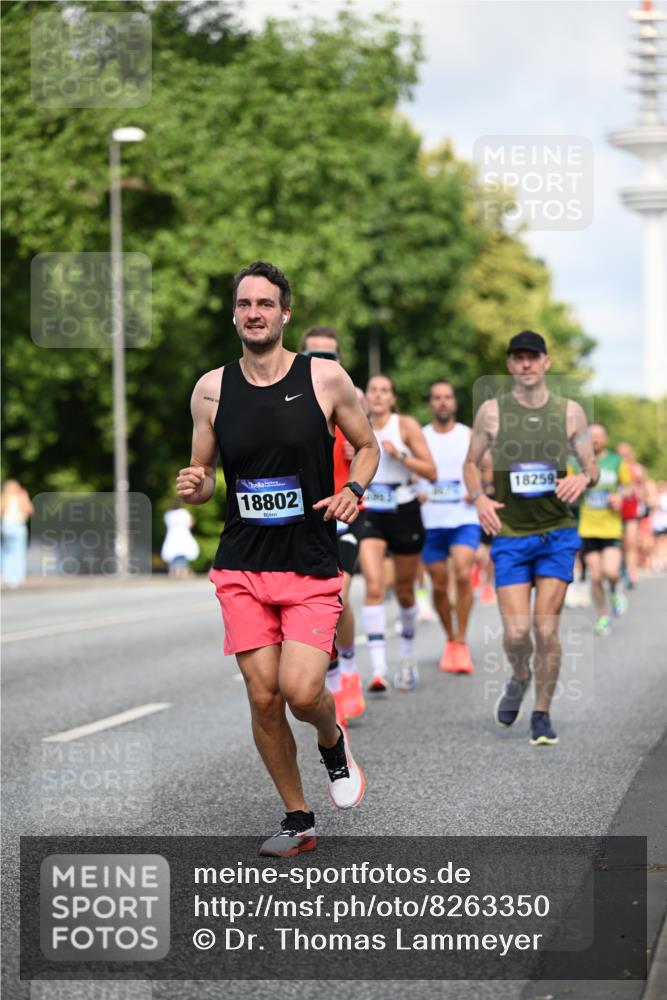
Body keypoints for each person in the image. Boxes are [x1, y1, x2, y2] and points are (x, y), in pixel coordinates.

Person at [177, 261, 379, 857]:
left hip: (310, 560)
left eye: (265, 304)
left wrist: (354, 490)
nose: (254, 313)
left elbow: (367, 447)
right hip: (241, 564)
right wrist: (196, 485)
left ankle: (330, 734)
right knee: (262, 695)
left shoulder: (325, 378)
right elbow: (206, 474)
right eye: (245, 304)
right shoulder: (210, 389)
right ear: (234, 313)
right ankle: (298, 817)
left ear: (284, 313)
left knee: (299, 691)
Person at [464, 330, 598, 746]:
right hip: (511, 534)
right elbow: (470, 464)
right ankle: (520, 674)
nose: (525, 364)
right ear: (509, 364)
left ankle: (541, 713)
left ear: (546, 363)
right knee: (517, 634)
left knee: (546, 629)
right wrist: (479, 499)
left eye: (532, 357)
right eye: (518, 357)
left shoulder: (570, 412)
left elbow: (592, 467)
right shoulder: (492, 412)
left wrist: (582, 478)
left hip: (557, 533)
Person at [299, 325, 366, 724]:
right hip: (301, 515)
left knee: (337, 595)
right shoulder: (284, 397)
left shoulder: (349, 398)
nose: (322, 364)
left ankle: (349, 669)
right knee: (312, 603)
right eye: (314, 357)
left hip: (344, 512)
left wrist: (355, 451)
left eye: (329, 357)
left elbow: (371, 449)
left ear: (340, 362)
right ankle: (332, 669)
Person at [359, 374, 436, 693]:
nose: (378, 396)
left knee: (405, 591)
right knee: (374, 586)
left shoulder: (405, 426)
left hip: (404, 509)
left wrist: (399, 454)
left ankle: (406, 658)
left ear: (393, 398)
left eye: (384, 391)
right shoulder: (356, 424)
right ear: (365, 396)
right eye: (373, 390)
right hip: (370, 511)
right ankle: (378, 670)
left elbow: (432, 471)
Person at [418, 381, 481, 673]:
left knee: (464, 573)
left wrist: (478, 489)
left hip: (463, 516)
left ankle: (462, 639)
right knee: (440, 584)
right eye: (437, 397)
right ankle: (450, 638)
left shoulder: (468, 435)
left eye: (447, 397)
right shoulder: (419, 436)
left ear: (454, 402)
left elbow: (488, 469)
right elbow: (408, 471)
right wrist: (413, 489)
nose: (443, 402)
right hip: (430, 521)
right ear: (431, 403)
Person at [577, 423, 631, 636]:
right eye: (591, 436)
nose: (596, 440)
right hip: (588, 527)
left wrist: (620, 496)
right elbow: (570, 484)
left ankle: (616, 590)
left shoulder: (616, 461)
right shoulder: (577, 462)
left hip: (610, 527)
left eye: (599, 436)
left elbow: (628, 486)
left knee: (611, 571)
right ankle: (602, 616)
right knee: (596, 576)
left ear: (606, 439)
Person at [617, 442, 647, 588]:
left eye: (625, 453)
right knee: (619, 543)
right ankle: (620, 567)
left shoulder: (638, 469)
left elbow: (644, 488)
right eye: (620, 453)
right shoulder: (614, 468)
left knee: (631, 542)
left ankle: (631, 571)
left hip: (632, 510)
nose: (623, 456)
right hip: (615, 511)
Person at [1, 480, 33, 588]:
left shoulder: (5, 498)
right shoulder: (21, 496)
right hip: (17, 526)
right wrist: (25, 496)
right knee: (18, 553)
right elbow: (29, 510)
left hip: (7, 526)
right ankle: (16, 579)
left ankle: (7, 577)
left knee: (7, 552)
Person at [161, 500, 200, 578]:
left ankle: (174, 572)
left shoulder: (168, 514)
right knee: (182, 554)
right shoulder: (184, 513)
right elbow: (190, 523)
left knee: (174, 555)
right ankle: (182, 571)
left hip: (172, 536)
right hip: (183, 535)